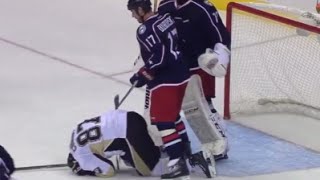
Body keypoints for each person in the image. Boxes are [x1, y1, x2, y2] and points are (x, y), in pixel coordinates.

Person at [126, 0, 199, 179]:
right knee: (173, 117)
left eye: (134, 12)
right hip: (182, 74)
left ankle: (177, 161)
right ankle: (186, 151)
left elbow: (160, 57)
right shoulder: (165, 17)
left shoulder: (144, 30)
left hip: (167, 80)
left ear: (141, 9)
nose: (133, 16)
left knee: (163, 122)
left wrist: (143, 73)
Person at [157, 0, 231, 160]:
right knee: (173, 106)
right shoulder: (164, 6)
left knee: (204, 105)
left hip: (200, 65)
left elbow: (222, 37)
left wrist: (220, 57)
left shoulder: (202, 8)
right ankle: (173, 142)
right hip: (177, 66)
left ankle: (220, 143)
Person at [67, 110, 213, 178]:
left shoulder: (83, 159)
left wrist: (91, 172)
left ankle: (194, 164)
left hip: (129, 133)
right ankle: (166, 151)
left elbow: (108, 171)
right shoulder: (74, 133)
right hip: (130, 117)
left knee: (149, 171)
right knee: (133, 159)